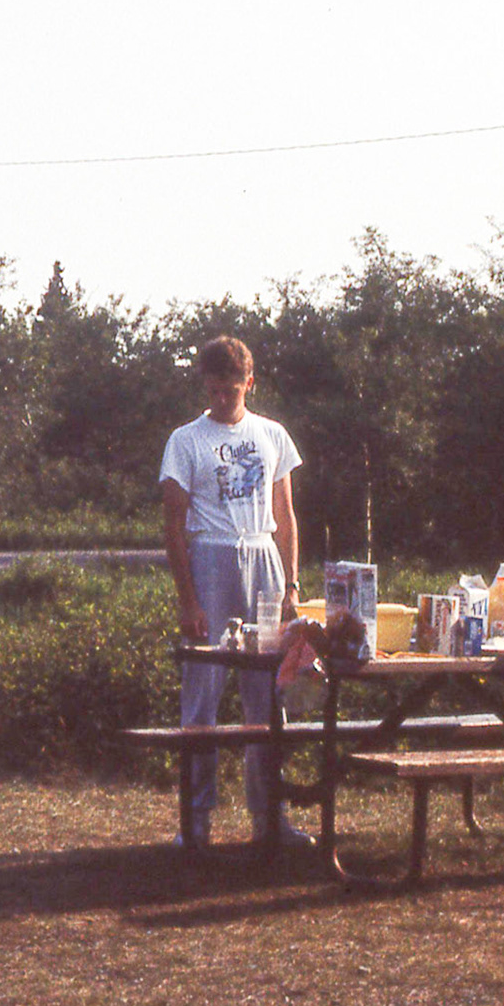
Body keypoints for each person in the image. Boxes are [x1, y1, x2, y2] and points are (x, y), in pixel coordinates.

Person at [159, 335, 307, 850]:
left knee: (267, 697)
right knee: (202, 695)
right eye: (214, 390)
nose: (223, 399)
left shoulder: (272, 435)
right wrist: (189, 600)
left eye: (232, 390)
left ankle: (271, 817)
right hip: (211, 558)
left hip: (263, 557)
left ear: (250, 383)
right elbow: (173, 525)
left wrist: (291, 585)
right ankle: (195, 820)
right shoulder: (186, 440)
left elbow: (285, 514)